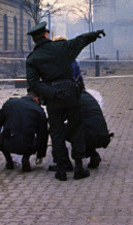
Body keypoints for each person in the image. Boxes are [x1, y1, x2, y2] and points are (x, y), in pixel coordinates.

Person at [25, 21, 105, 181]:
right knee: (76, 130)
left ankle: (61, 169)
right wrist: (94, 34)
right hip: (71, 94)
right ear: (47, 34)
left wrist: (52, 92)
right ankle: (78, 167)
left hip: (53, 99)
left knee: (56, 133)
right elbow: (80, 41)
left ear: (34, 39)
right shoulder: (61, 47)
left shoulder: (33, 58)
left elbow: (33, 83)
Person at [0, 89, 48, 172]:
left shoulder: (10, 103)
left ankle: (8, 160)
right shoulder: (39, 111)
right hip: (28, 145)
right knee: (39, 133)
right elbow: (43, 135)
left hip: (8, 142)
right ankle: (26, 157)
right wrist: (40, 154)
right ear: (37, 99)